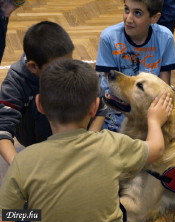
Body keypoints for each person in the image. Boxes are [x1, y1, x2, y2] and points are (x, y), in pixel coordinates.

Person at [0, 59, 173, 222]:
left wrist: (36, 214)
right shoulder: (113, 144)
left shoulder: (23, 161)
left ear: (39, 105)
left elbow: (5, 218)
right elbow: (156, 149)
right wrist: (154, 121)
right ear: (94, 107)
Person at [0, 21, 107, 165]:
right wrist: (18, 165)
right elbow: (2, 129)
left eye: (68, 62)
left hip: (70, 135)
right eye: (56, 68)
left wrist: (90, 140)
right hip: (33, 137)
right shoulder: (16, 81)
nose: (65, 71)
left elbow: (101, 105)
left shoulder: (73, 69)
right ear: (33, 67)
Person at [96, 0, 175, 132]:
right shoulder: (109, 37)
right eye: (126, 10)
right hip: (115, 102)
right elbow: (111, 84)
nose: (128, 19)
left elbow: (164, 87)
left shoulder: (165, 37)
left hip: (146, 102)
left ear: (154, 18)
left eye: (137, 13)